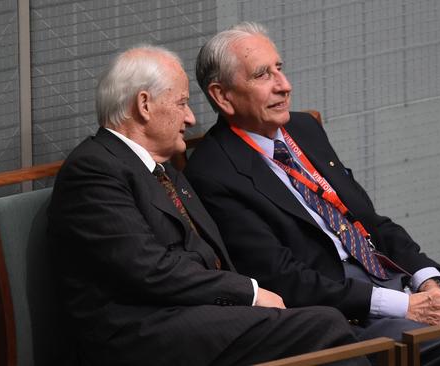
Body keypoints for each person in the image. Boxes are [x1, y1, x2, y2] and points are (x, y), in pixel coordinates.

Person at [184, 21, 440, 366]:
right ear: (223, 96)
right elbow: (284, 278)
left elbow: (372, 222)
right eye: (263, 75)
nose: (284, 85)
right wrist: (403, 305)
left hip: (397, 281)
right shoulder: (214, 171)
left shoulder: (302, 129)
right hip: (345, 312)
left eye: (280, 67)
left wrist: (428, 282)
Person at [47, 44, 369, 366]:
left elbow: (208, 254)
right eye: (183, 103)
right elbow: (150, 270)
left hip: (196, 315)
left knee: (339, 329)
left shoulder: (164, 169)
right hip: (139, 335)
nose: (190, 118)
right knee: (325, 326)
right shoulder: (94, 170)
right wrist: (250, 293)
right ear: (144, 105)